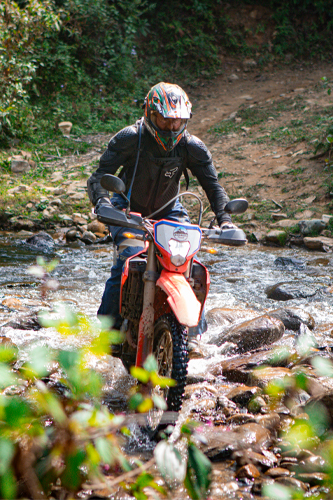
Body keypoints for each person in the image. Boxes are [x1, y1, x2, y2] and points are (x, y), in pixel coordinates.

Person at [87, 82, 236, 335]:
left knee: (187, 263)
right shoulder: (130, 138)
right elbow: (99, 177)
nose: (172, 127)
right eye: (166, 120)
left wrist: (226, 220)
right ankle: (107, 332)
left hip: (170, 209)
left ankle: (192, 336)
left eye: (178, 122)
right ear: (150, 114)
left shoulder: (192, 146)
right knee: (129, 257)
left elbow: (213, 186)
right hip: (127, 208)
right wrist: (103, 203)